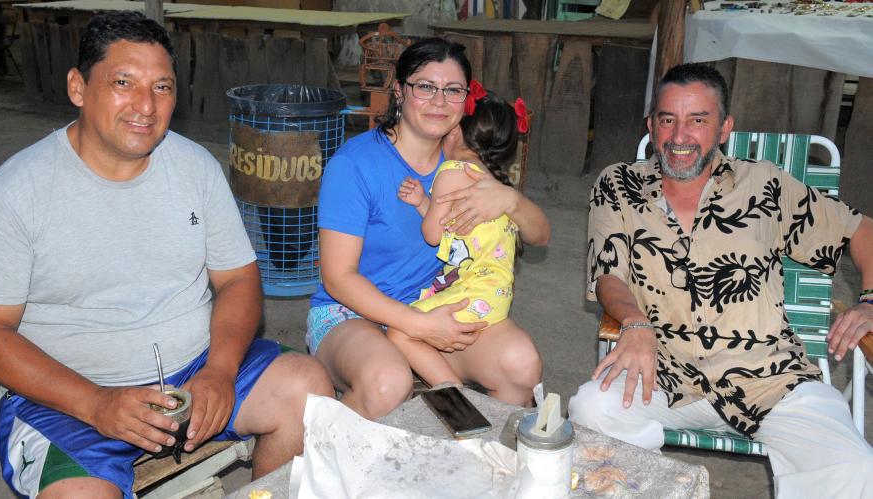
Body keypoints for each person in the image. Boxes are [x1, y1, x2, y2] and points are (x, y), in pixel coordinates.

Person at [0, 11, 332, 498]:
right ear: (78, 87)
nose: (145, 106)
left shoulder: (195, 169)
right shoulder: (15, 194)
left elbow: (238, 280)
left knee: (308, 390)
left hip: (193, 370)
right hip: (66, 398)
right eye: (123, 82)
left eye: (162, 87)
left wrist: (219, 371)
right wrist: (95, 403)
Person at [569, 62, 873, 497]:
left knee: (853, 464)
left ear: (725, 127)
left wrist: (869, 302)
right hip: (665, 372)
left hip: (772, 377)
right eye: (667, 119)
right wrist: (634, 323)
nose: (679, 136)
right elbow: (608, 274)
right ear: (650, 125)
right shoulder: (619, 186)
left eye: (698, 120)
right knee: (591, 411)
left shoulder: (766, 187)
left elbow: (863, 233)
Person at [307, 38, 550, 419]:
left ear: (466, 99)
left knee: (521, 363)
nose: (439, 101)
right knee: (388, 381)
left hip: (434, 305)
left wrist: (511, 200)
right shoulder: (354, 164)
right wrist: (416, 325)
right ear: (400, 91)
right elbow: (337, 277)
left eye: (452, 90)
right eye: (425, 86)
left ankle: (483, 459)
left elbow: (540, 236)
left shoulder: (466, 162)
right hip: (353, 314)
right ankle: (323, 459)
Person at [388, 90, 526, 387]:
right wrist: (423, 202)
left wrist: (427, 209)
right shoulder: (494, 181)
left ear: (457, 133)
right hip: (496, 296)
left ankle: (456, 393)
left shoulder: (450, 171)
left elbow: (433, 234)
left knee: (400, 332)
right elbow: (457, 226)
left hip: (475, 294)